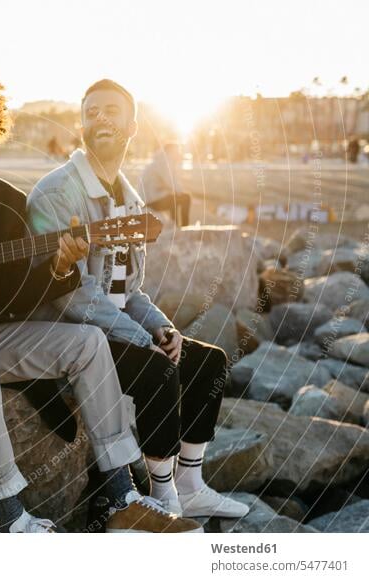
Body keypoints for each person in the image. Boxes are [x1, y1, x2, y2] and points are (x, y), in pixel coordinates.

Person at [0, 58, 201, 533]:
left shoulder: (3, 200)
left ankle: (120, 497)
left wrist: (58, 264)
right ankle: (6, 512)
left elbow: (16, 299)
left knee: (88, 342)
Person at [27, 78, 249, 521]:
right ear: (82, 124)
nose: (100, 118)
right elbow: (68, 297)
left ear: (133, 126)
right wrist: (140, 338)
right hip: (70, 335)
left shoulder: (129, 198)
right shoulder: (57, 193)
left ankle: (190, 484)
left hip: (112, 325)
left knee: (207, 361)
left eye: (112, 110)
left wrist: (161, 327)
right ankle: (162, 496)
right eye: (91, 111)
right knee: (157, 367)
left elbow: (130, 290)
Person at [140, 142, 191, 227]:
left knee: (174, 197)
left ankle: (175, 225)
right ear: (170, 151)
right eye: (177, 151)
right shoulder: (165, 161)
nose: (179, 153)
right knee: (186, 198)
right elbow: (171, 182)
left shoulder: (160, 160)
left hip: (150, 198)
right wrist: (181, 192)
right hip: (151, 200)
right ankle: (183, 226)